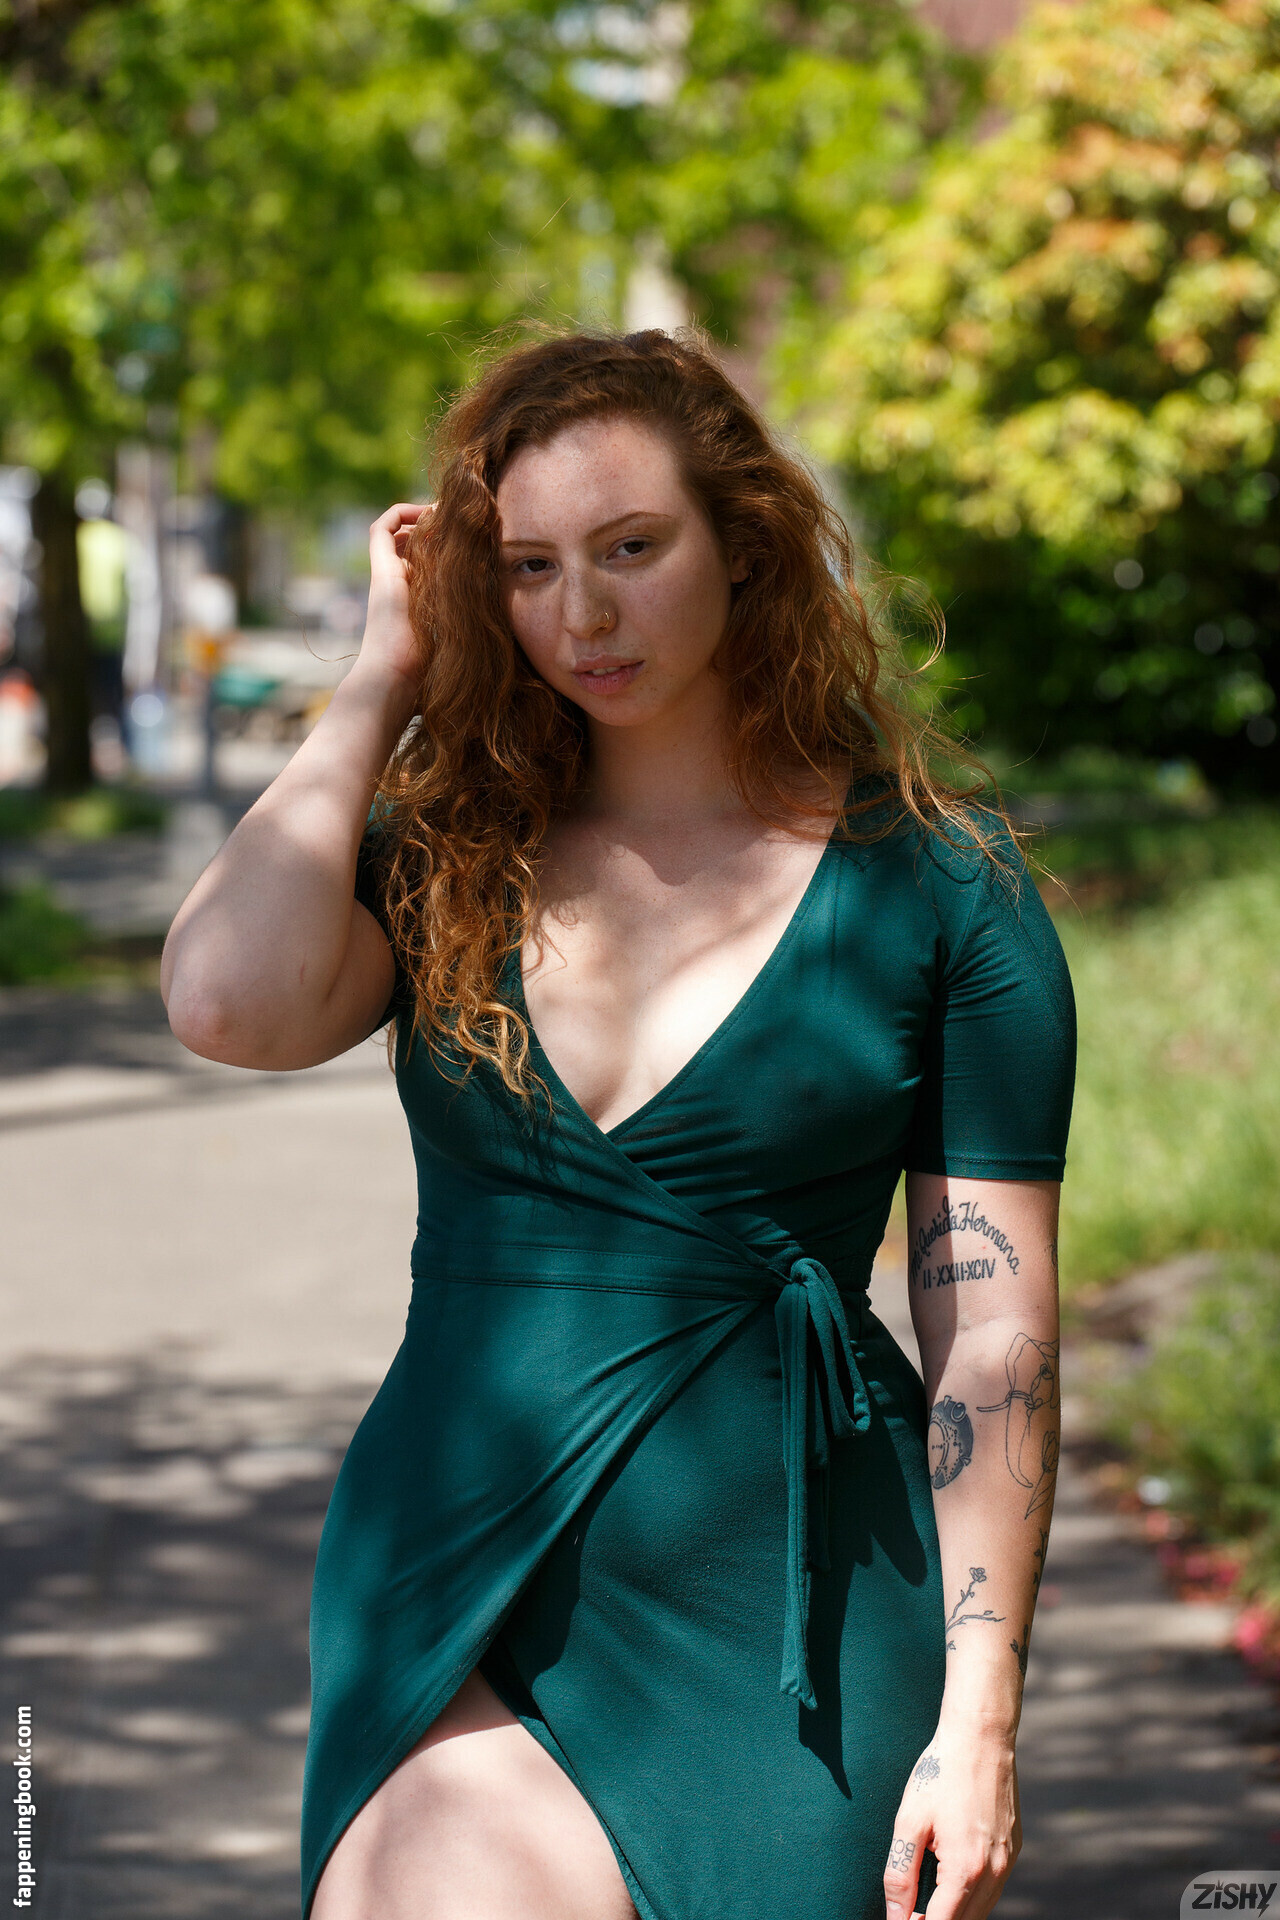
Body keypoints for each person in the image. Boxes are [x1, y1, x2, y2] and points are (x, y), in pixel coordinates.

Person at [161, 327, 1075, 1920]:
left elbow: (993, 1337)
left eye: (632, 548)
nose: (581, 613)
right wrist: (381, 676)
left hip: (793, 1597)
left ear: (744, 543)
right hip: (462, 1556)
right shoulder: (446, 856)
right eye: (528, 568)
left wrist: (981, 1715)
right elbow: (226, 1003)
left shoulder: (941, 887)